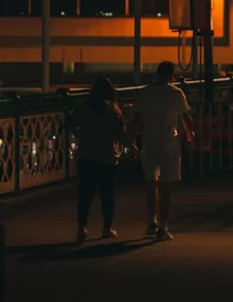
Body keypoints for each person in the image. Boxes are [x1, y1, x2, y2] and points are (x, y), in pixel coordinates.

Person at [127, 61, 194, 241]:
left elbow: (137, 120)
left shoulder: (145, 92)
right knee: (166, 186)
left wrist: (130, 141)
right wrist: (190, 135)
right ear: (171, 75)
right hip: (169, 141)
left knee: (150, 182)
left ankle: (151, 221)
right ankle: (163, 227)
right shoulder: (175, 94)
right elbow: (187, 118)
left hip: (149, 140)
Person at [72, 76, 126, 245]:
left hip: (86, 155)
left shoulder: (83, 109)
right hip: (107, 157)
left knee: (85, 195)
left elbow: (72, 124)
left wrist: (80, 135)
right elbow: (120, 135)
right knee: (107, 194)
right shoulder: (113, 113)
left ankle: (82, 227)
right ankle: (106, 228)